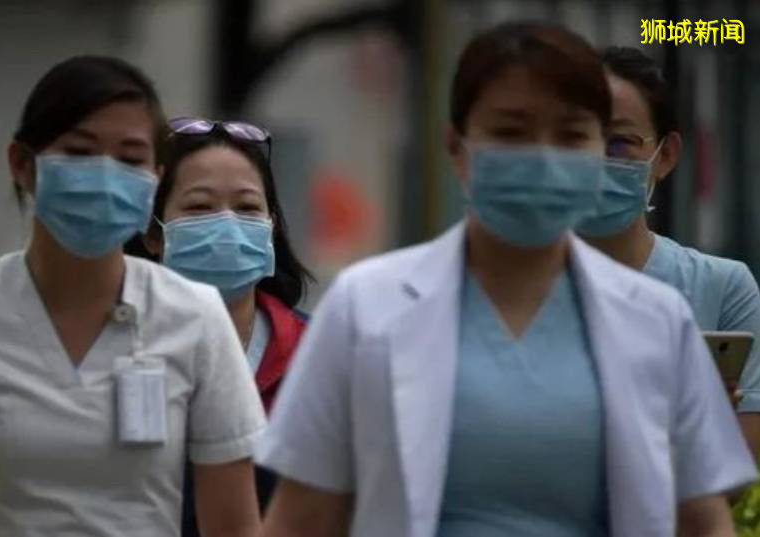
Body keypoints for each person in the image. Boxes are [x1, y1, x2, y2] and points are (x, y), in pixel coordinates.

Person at [256, 22, 756, 537]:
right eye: (511, 133)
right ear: (457, 146)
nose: (543, 157)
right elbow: (300, 521)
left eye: (571, 136)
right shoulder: (364, 307)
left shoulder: (659, 320)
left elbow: (703, 522)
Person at [0, 56, 266, 537]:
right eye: (80, 152)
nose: (105, 176)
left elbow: (234, 527)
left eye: (130, 159)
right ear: (22, 164)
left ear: (156, 177)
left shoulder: (196, 317)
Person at [125, 117, 311, 535]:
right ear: (153, 233)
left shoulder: (316, 353)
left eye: (247, 208)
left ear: (272, 226)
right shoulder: (111, 344)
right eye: (199, 207)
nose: (227, 226)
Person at [574, 46, 760, 454]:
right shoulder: (519, 287)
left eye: (619, 142)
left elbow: (740, 457)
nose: (596, 159)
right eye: (577, 139)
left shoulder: (722, 288)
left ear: (666, 155)